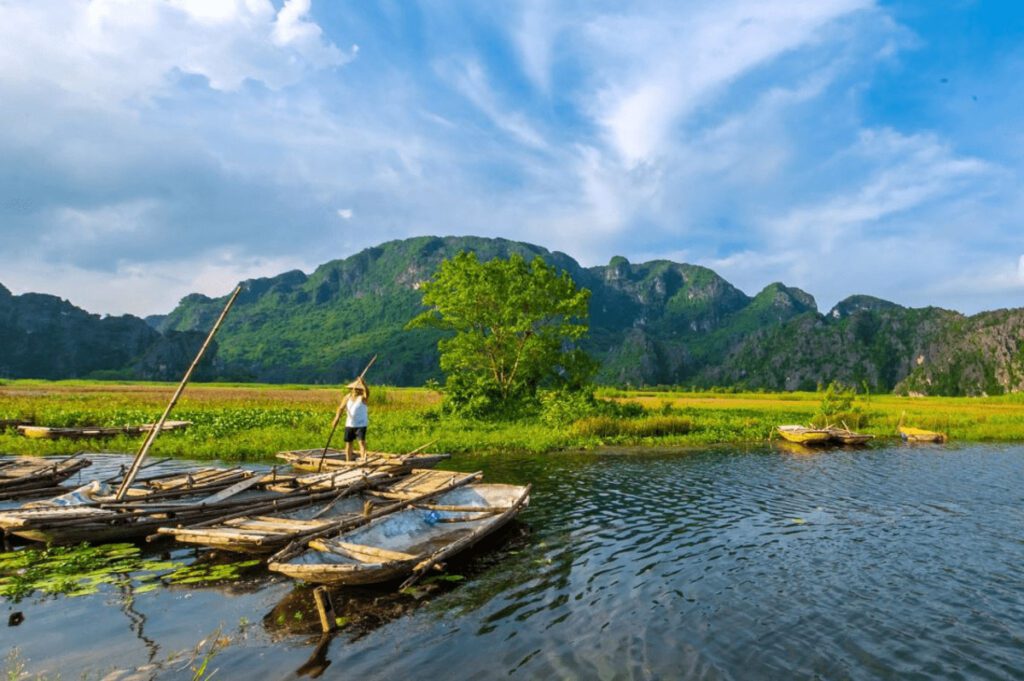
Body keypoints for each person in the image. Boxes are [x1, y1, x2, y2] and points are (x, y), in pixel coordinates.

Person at [343, 378, 369, 461]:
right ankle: (348, 461)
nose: (356, 391)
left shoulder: (362, 398)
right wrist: (336, 418)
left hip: (360, 424)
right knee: (348, 443)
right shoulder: (347, 397)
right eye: (354, 389)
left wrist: (363, 384)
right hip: (349, 424)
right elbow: (340, 407)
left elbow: (367, 393)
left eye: (358, 389)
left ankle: (363, 459)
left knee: (361, 442)